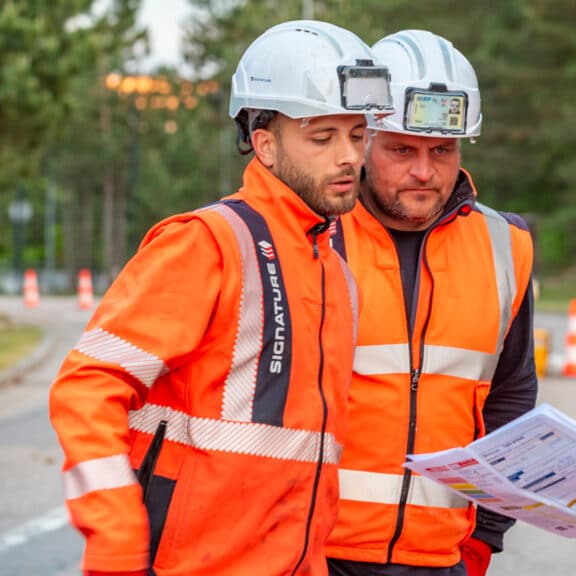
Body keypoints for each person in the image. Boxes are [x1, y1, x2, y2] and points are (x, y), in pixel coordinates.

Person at [48, 20, 392, 576]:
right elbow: (86, 389)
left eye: (358, 135)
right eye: (323, 137)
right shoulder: (205, 243)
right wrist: (115, 543)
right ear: (265, 144)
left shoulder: (334, 273)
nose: (349, 156)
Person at [325, 30, 537, 576]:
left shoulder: (505, 246)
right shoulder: (313, 237)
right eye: (402, 150)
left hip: (445, 560)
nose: (424, 171)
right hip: (317, 555)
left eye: (441, 151)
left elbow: (510, 399)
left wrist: (483, 540)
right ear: (363, 142)